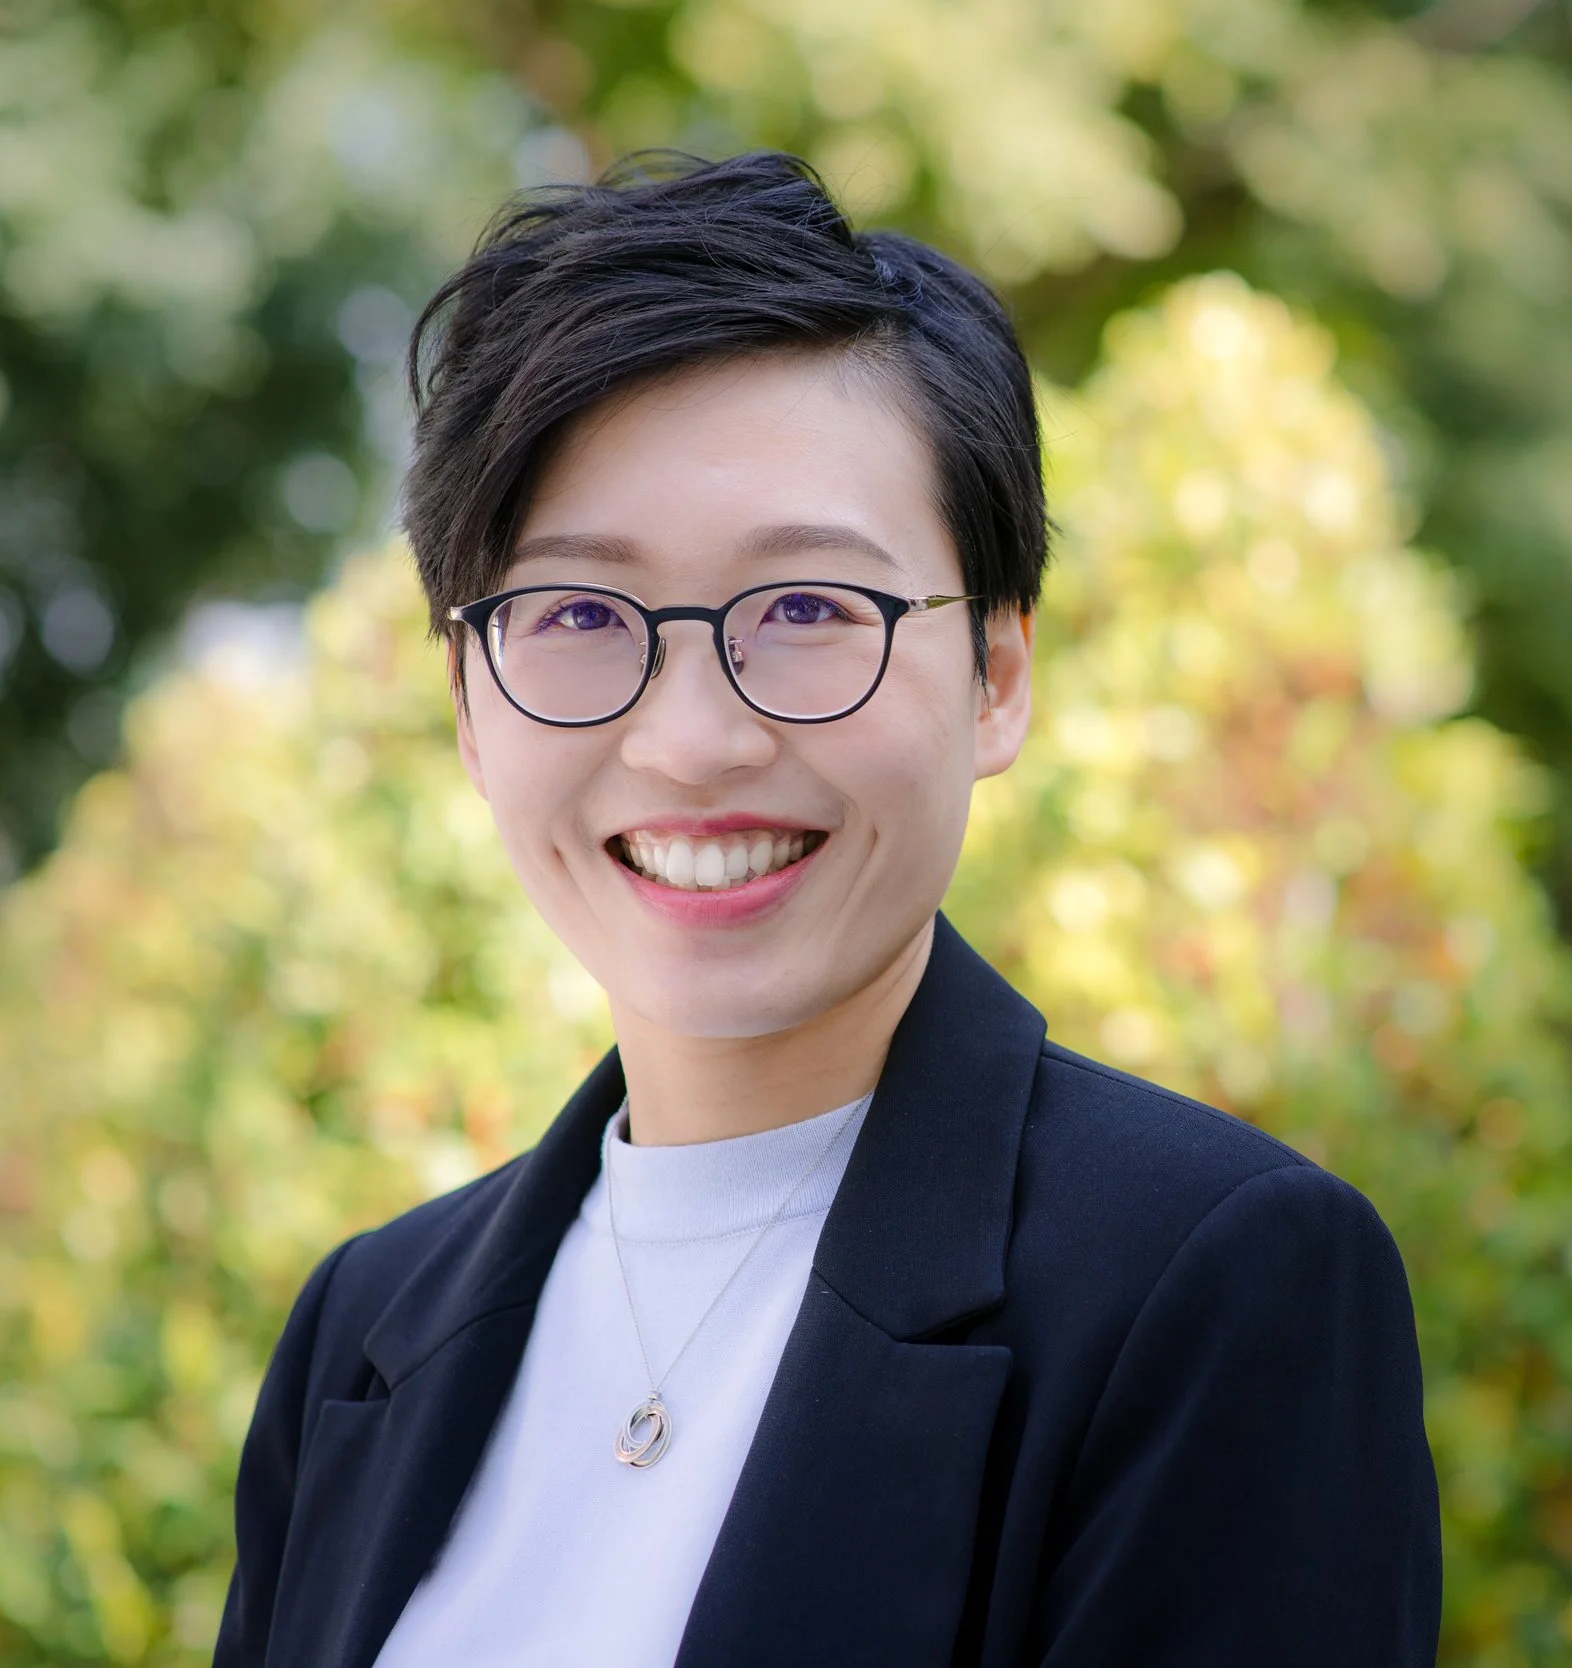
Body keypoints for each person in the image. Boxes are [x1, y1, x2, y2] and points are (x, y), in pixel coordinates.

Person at [212, 151, 1440, 1667]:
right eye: (581, 616)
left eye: (804, 611)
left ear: (996, 673)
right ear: (469, 702)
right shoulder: (364, 1333)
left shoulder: (1215, 1291)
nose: (693, 741)